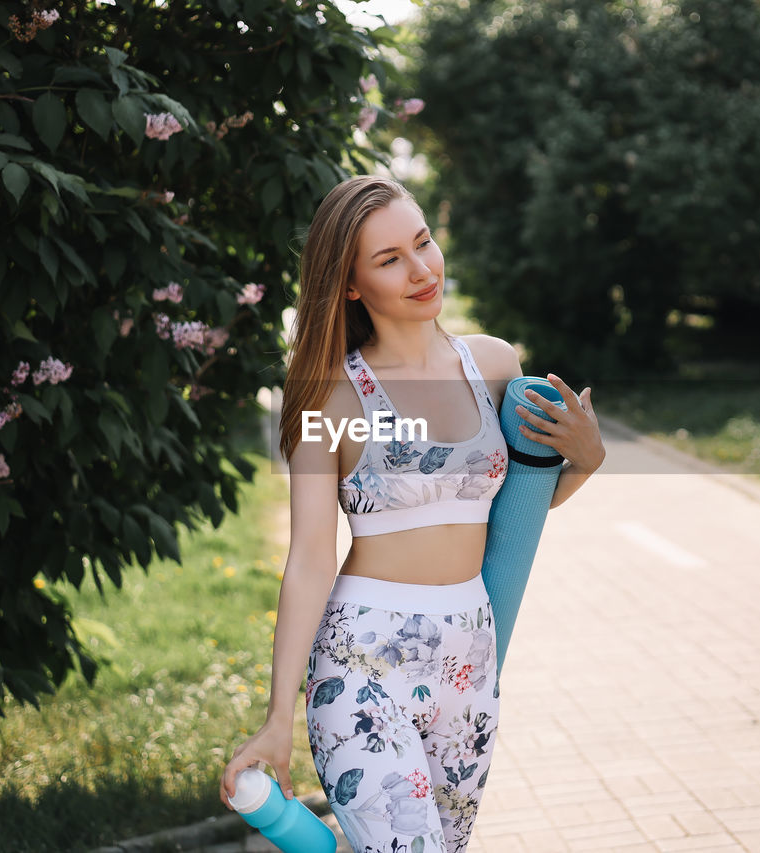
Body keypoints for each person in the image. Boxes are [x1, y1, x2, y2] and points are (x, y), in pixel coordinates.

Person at [219, 175, 605, 852]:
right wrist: (279, 715)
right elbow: (309, 556)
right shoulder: (326, 396)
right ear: (349, 284)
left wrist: (585, 461)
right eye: (390, 258)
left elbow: (515, 514)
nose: (423, 269)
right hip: (364, 664)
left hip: (471, 661)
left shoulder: (492, 365)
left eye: (423, 242)